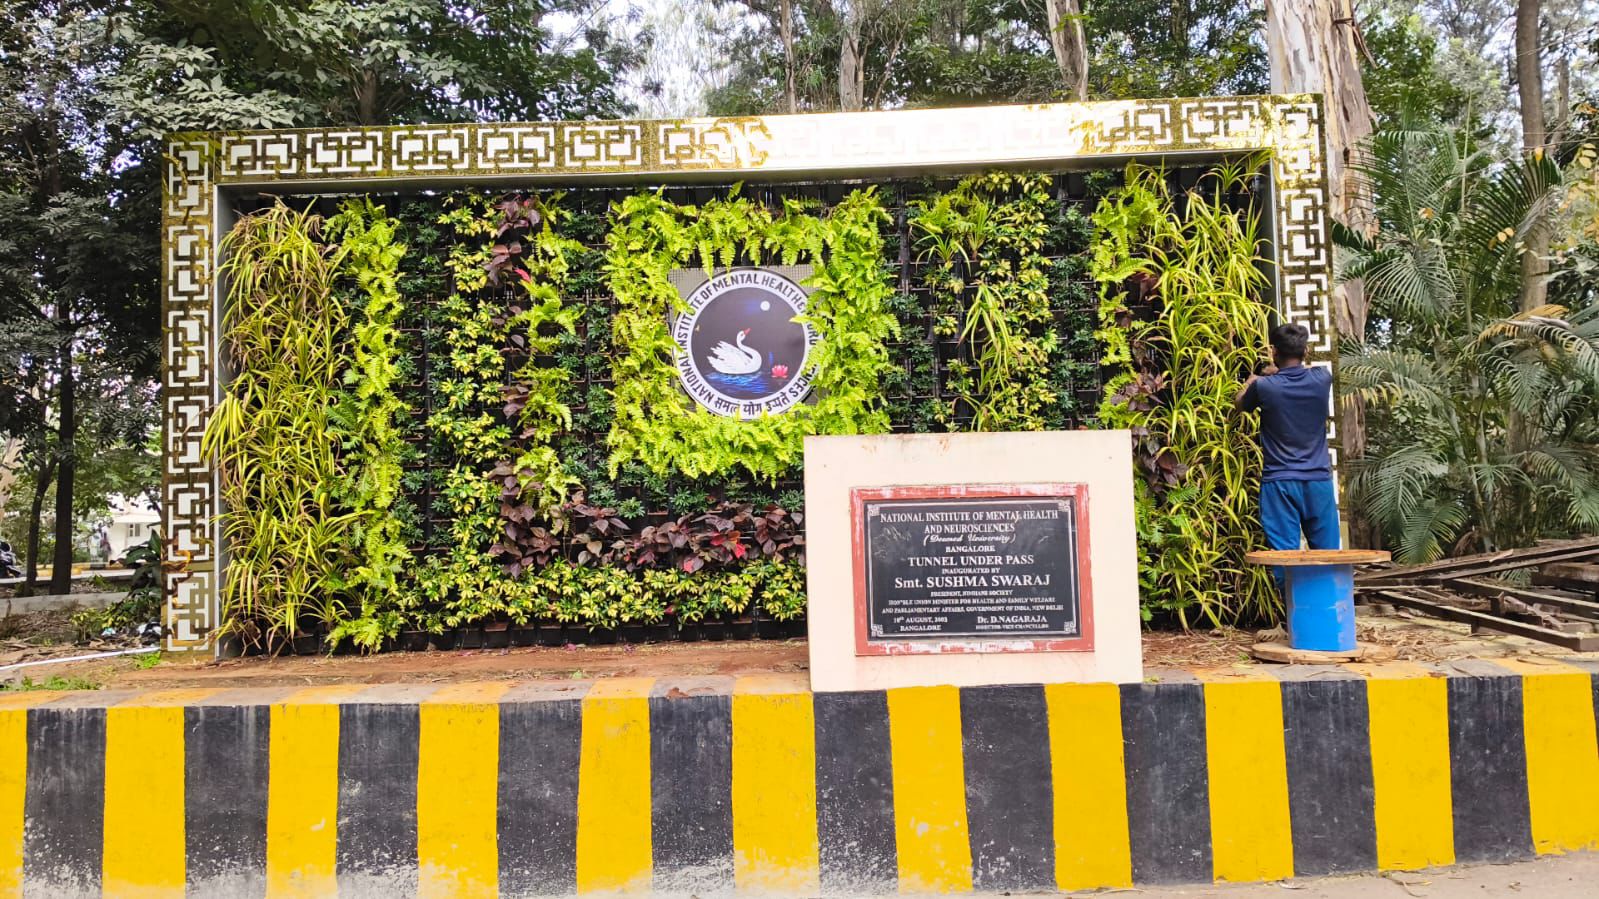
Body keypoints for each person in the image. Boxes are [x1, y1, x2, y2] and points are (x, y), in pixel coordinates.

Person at [1235, 322, 1340, 553]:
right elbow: (1304, 371)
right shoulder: (1322, 378)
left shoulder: (1263, 387)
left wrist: (1253, 380)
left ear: (1274, 352)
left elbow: (1240, 403)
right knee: (1329, 557)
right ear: (1305, 352)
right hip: (1318, 480)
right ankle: (1329, 591)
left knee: (1285, 561)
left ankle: (1290, 591)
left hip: (1280, 482)